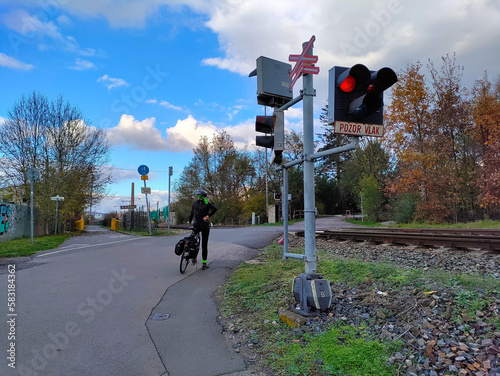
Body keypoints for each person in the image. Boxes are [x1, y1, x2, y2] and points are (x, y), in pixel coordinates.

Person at [188, 189, 217, 270]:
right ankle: (204, 264)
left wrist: (190, 221)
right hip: (204, 225)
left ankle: (193, 258)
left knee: (193, 241)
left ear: (198, 196)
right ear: (204, 196)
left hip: (196, 225)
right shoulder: (207, 203)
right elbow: (215, 208)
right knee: (204, 245)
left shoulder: (194, 203)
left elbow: (191, 214)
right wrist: (208, 216)